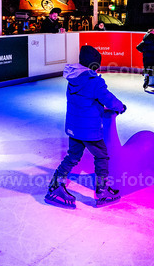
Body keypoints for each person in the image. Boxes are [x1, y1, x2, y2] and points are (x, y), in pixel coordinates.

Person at [45, 45, 126, 209]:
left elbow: (83, 101)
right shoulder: (95, 82)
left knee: (73, 157)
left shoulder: (73, 79)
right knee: (102, 156)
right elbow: (109, 99)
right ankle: (102, 191)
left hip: (74, 128)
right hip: (89, 130)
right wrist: (120, 107)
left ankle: (56, 185)